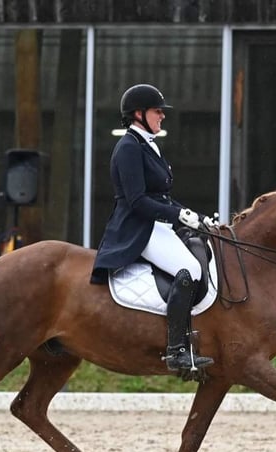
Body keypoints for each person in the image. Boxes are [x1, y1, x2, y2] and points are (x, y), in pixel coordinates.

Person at [90, 83, 214, 372]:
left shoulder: (148, 144)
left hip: (155, 223)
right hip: (137, 227)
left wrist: (195, 216)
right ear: (138, 114)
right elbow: (137, 201)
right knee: (190, 271)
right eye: (158, 111)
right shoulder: (129, 147)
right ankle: (176, 351)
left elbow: (162, 196)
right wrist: (178, 214)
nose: (163, 116)